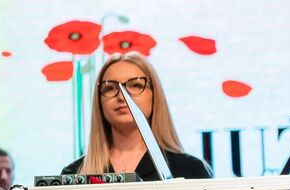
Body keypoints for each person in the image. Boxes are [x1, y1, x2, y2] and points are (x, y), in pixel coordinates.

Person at [62, 53, 209, 179]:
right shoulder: (73, 174)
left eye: (136, 85)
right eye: (110, 88)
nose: (122, 96)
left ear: (154, 96)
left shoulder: (190, 170)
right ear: (99, 102)